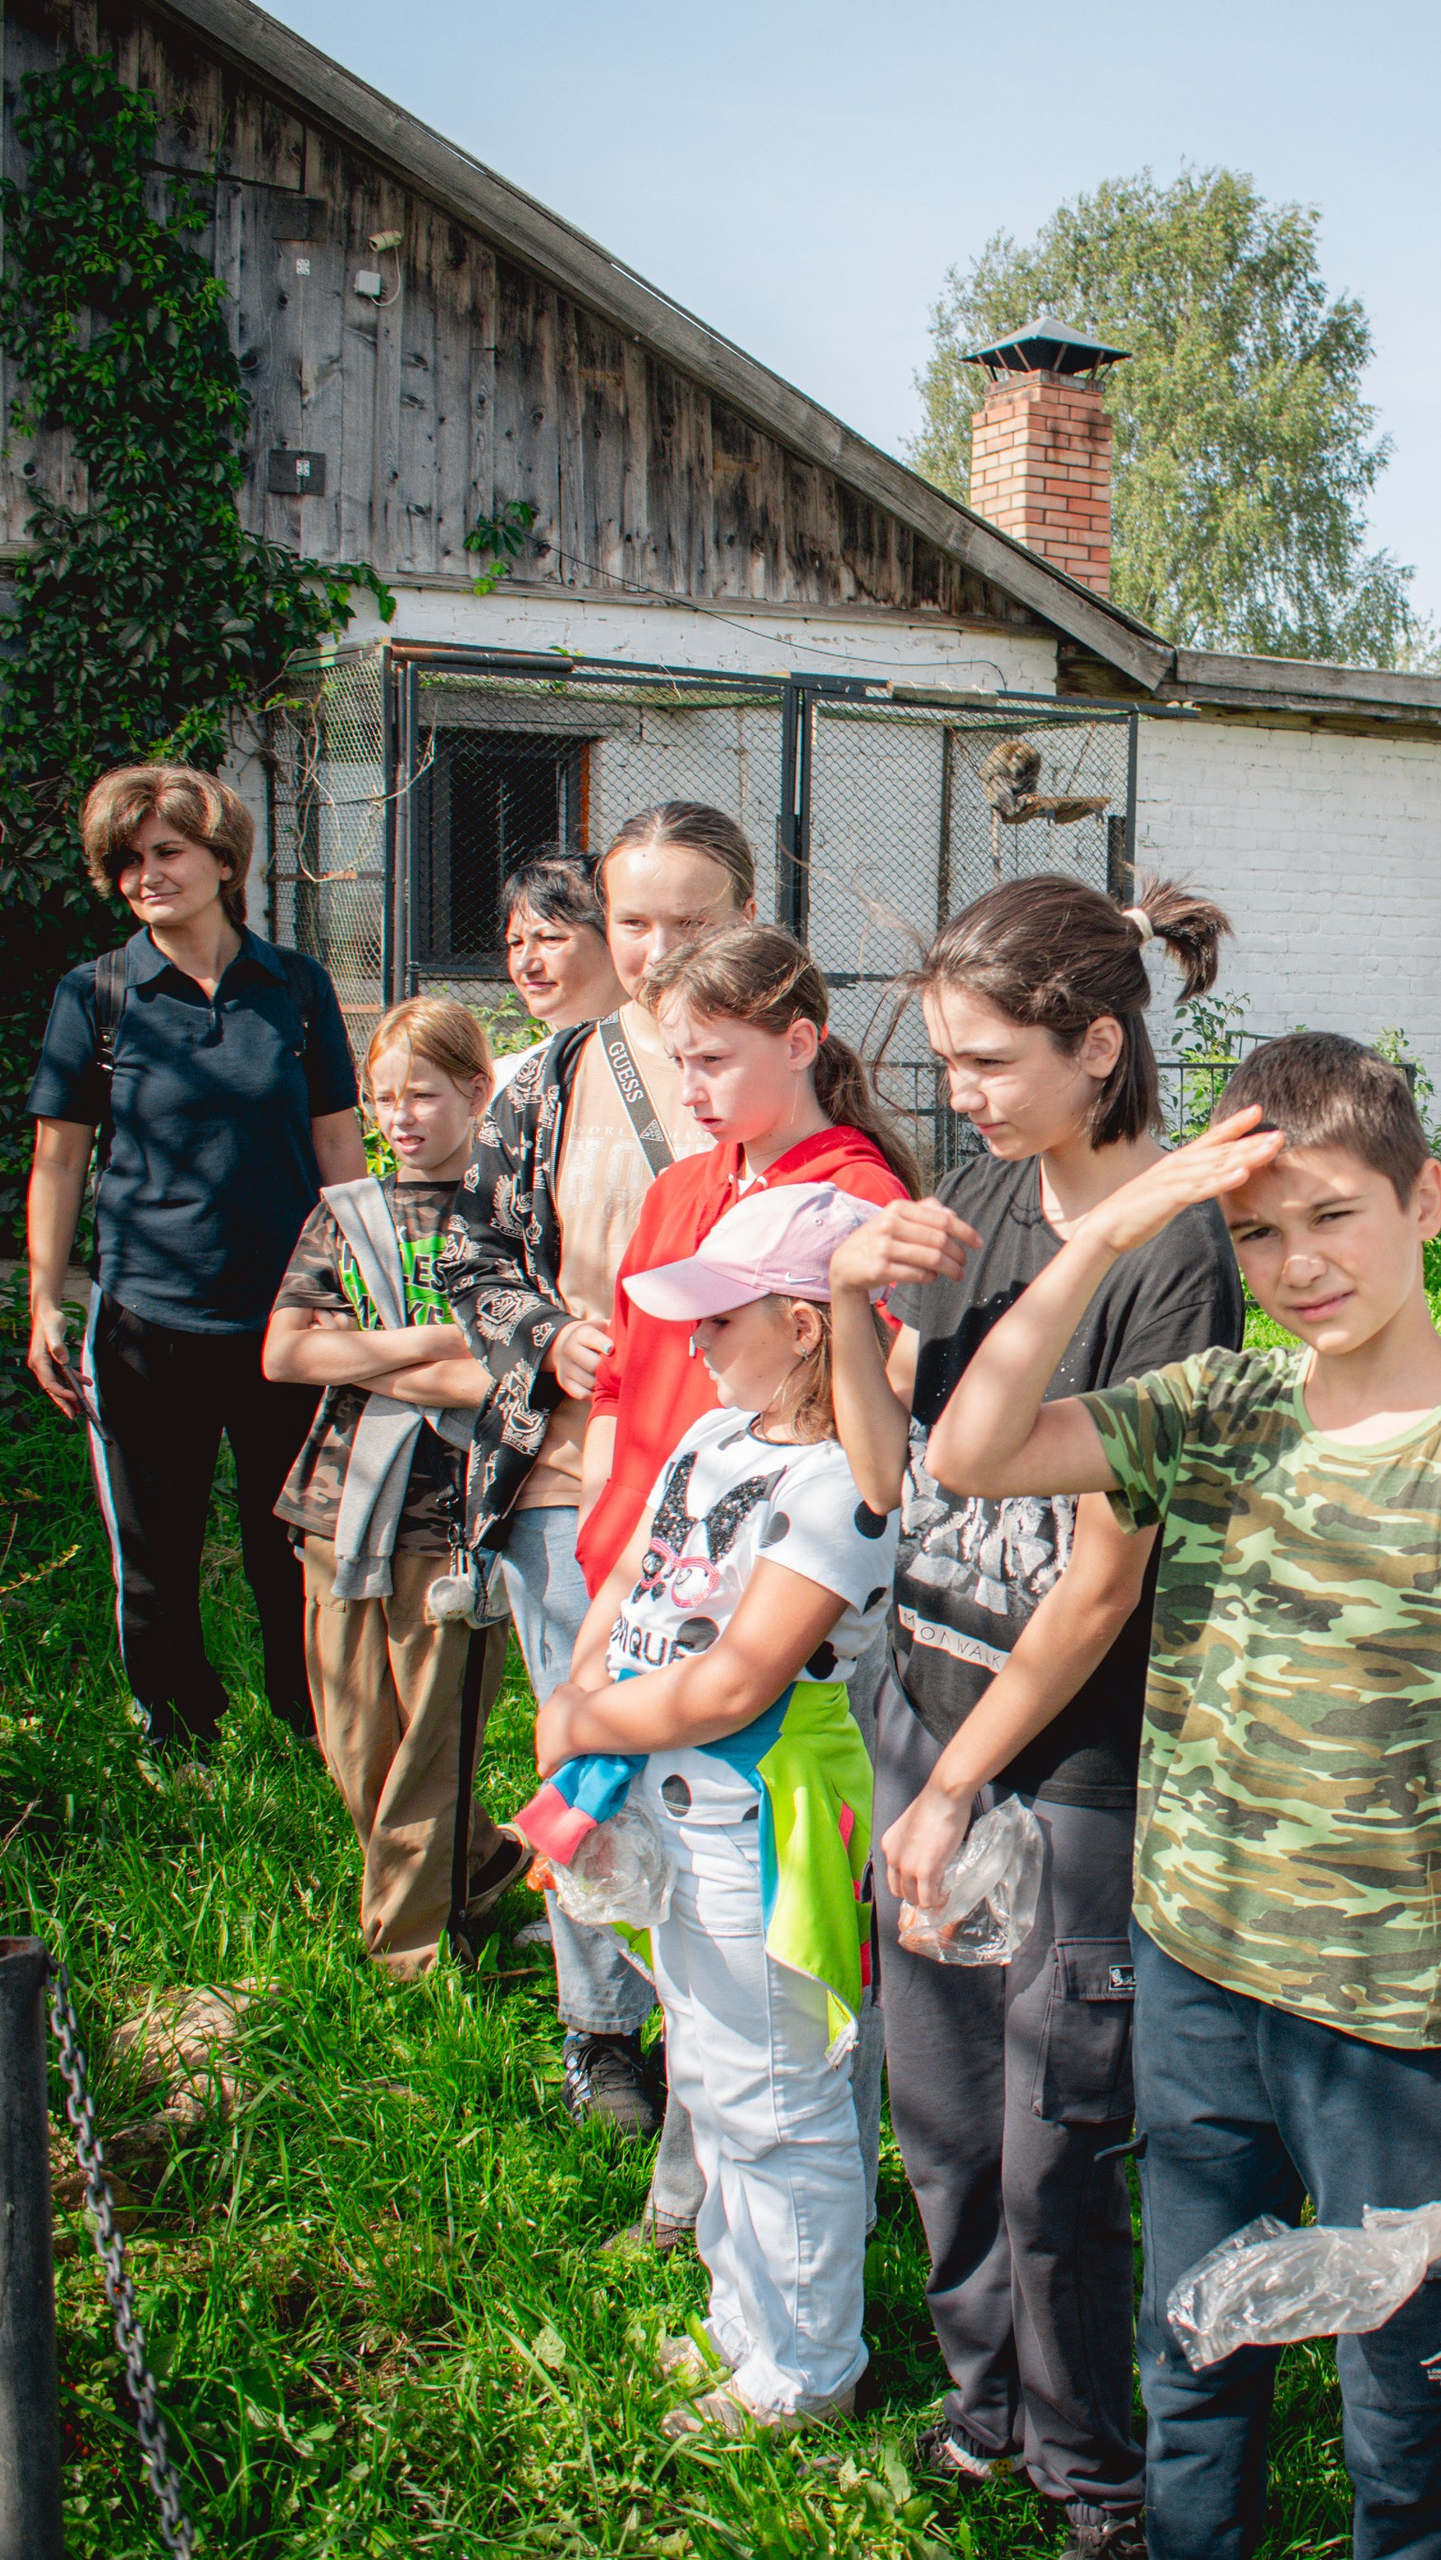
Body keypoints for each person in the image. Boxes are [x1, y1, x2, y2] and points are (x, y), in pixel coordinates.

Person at [923, 1032, 1441, 2560]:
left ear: (1426, 1201)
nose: (1299, 1266)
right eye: (1257, 1234)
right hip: (1198, 1977)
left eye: (1333, 1216)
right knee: (1193, 2362)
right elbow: (970, 1450)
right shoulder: (1213, 1405)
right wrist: (1108, 1227)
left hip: (1397, 2024)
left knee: (1403, 2412)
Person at [823, 874, 1245, 2558]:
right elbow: (888, 1475)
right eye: (947, 1061)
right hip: (925, 1708)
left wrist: (962, 1787)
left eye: (991, 1060)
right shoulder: (984, 1194)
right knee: (940, 2121)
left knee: (1054, 2141)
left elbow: (1103, 1585)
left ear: (1099, 1046)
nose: (963, 1095)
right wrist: (844, 1299)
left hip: (1067, 1769)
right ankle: (986, 2405)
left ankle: (1097, 2479)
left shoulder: (1175, 1255)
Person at [529, 1182, 901, 2439]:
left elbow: (743, 1677)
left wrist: (587, 1720)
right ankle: (745, 2320)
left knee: (779, 2098)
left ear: (804, 1325)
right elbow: (635, 1576)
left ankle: (806, 2370)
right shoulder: (712, 1435)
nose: (694, 1344)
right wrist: (579, 1685)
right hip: (665, 1798)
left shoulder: (840, 1480)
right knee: (712, 2066)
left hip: (759, 1822)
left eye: (721, 1319)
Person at [443, 801, 752, 2153]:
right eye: (635, 921)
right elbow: (472, 1256)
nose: (662, 947)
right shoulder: (549, 1081)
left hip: (751, 1476)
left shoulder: (795, 1067)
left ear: (749, 918)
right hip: (582, 1466)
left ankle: (721, 2024)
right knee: (589, 1739)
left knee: (727, 1753)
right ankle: (602, 2028)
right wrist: (544, 1332)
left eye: (695, 920)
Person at [25, 763, 365, 1756]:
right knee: (155, 1551)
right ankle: (173, 1731)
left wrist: (359, 1277)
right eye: (127, 861)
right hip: (146, 1316)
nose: (147, 875)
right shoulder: (95, 995)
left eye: (167, 851)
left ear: (223, 860)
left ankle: (311, 1725)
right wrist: (45, 1300)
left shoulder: (296, 989)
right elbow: (59, 1158)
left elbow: (336, 1139)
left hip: (289, 1321)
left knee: (290, 1542)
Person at [264, 998, 525, 1973]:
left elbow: (500, 1374)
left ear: (476, 1089)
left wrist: (361, 1353)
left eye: (422, 1094)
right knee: (354, 1741)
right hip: (337, 1504)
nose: (399, 1117)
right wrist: (434, 1344)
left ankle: (406, 1957)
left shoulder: (511, 1221)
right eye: (382, 1098)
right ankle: (483, 1857)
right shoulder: (345, 1215)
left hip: (455, 1516)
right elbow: (284, 1355)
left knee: (431, 1747)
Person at [578, 921, 920, 1598]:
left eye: (712, 1060)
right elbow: (616, 1381)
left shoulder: (860, 1202)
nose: (688, 1090)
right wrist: (602, 1516)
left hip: (748, 1578)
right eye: (679, 1062)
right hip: (626, 1565)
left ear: (798, 1044)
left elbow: (874, 1417)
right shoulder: (676, 1189)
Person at [495, 854, 617, 1092]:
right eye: (516, 943)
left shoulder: (680, 1065)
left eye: (550, 939)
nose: (524, 964)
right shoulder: (507, 1083)